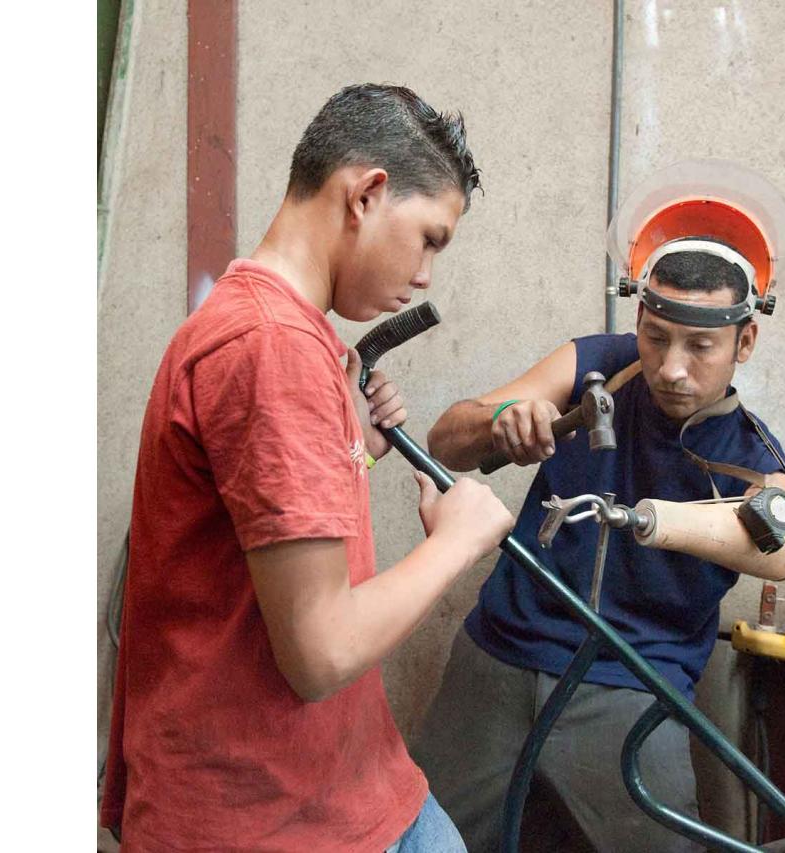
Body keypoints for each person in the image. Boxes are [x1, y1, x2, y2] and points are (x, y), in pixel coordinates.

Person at [99, 83, 515, 852]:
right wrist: (454, 543)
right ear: (367, 194)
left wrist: (347, 447)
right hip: (269, 818)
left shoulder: (281, 331)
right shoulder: (271, 347)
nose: (426, 274)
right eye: (431, 238)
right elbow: (319, 650)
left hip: (343, 785)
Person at [411, 162, 785, 852]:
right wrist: (504, 425)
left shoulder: (748, 452)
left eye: (701, 346)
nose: (672, 367)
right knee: (411, 837)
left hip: (634, 685)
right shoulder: (594, 364)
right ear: (638, 316)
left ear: (744, 342)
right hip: (501, 658)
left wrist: (656, 518)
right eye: (657, 336)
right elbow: (446, 439)